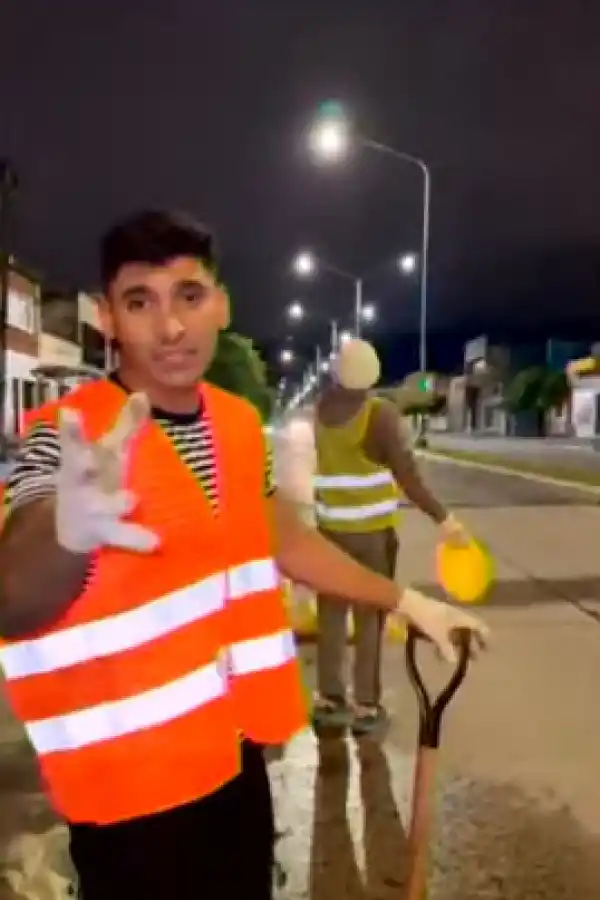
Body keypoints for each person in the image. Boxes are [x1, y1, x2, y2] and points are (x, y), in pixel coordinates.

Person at [0, 210, 489, 900]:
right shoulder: (69, 437)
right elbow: (13, 597)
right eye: (141, 302)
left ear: (220, 306)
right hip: (129, 805)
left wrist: (405, 600)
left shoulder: (234, 427)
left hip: (235, 768)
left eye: (189, 297)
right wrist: (67, 530)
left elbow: (282, 537)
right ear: (107, 317)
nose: (170, 328)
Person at [313, 338, 472, 735]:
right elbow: (409, 478)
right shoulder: (377, 415)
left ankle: (329, 698)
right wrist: (444, 519)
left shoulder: (321, 409)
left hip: (330, 532)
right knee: (370, 617)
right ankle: (366, 706)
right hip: (370, 537)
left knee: (332, 616)